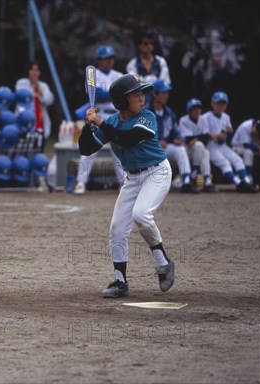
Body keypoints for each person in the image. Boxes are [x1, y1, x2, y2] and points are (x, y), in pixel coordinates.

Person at [78, 74, 174, 298]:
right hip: (132, 179)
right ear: (122, 102)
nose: (142, 98)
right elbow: (86, 148)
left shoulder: (147, 117)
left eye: (142, 93)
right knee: (117, 228)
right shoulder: (111, 122)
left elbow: (128, 138)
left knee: (141, 215)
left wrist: (100, 123)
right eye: (135, 95)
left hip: (157, 172)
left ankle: (163, 263)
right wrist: (88, 125)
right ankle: (120, 282)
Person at [74, 45, 125, 195]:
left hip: (115, 116)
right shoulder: (93, 74)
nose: (109, 61)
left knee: (119, 150)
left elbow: (121, 94)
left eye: (111, 58)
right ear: (99, 60)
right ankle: (81, 182)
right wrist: (113, 93)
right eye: (105, 59)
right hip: (99, 114)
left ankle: (124, 183)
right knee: (89, 150)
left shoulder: (119, 74)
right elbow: (97, 95)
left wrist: (109, 93)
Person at [202, 91, 257, 193]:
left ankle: (247, 182)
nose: (220, 106)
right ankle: (238, 183)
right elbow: (205, 134)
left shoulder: (226, 117)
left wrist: (227, 132)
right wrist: (218, 135)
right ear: (212, 104)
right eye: (218, 103)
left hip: (222, 145)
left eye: (223, 104)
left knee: (237, 160)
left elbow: (229, 130)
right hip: (211, 146)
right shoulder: (205, 117)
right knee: (225, 163)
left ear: (226, 105)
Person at [149, 80, 198, 193]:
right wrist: (155, 141)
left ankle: (186, 182)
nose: (166, 96)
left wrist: (176, 139)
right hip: (150, 149)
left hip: (164, 148)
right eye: (163, 93)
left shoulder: (169, 112)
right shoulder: (146, 111)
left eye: (167, 93)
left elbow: (175, 132)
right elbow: (140, 134)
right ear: (154, 94)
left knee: (180, 149)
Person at [178, 98, 218, 192]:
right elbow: (188, 140)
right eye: (194, 109)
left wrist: (196, 138)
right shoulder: (183, 120)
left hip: (197, 150)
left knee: (205, 152)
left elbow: (206, 138)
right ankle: (193, 176)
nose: (197, 111)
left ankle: (207, 182)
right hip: (186, 150)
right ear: (189, 111)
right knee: (199, 145)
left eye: (198, 109)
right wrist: (200, 138)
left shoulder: (202, 119)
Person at [15, 60, 54, 151]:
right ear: (28, 71)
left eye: (37, 70)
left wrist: (38, 88)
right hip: (24, 122)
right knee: (24, 150)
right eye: (32, 70)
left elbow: (48, 100)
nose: (34, 73)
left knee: (39, 149)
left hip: (39, 122)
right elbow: (22, 97)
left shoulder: (43, 86)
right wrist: (32, 90)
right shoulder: (21, 83)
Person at [126, 30, 171, 107]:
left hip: (158, 100)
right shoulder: (132, 64)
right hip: (141, 101)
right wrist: (154, 81)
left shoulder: (160, 61)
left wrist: (146, 80)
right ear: (139, 45)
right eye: (146, 43)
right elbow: (134, 84)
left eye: (151, 43)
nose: (149, 46)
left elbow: (166, 81)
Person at [231, 118, 260, 185]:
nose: (255, 135)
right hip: (237, 147)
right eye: (256, 133)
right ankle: (248, 176)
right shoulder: (245, 126)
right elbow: (246, 145)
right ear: (255, 126)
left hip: (252, 146)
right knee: (248, 152)